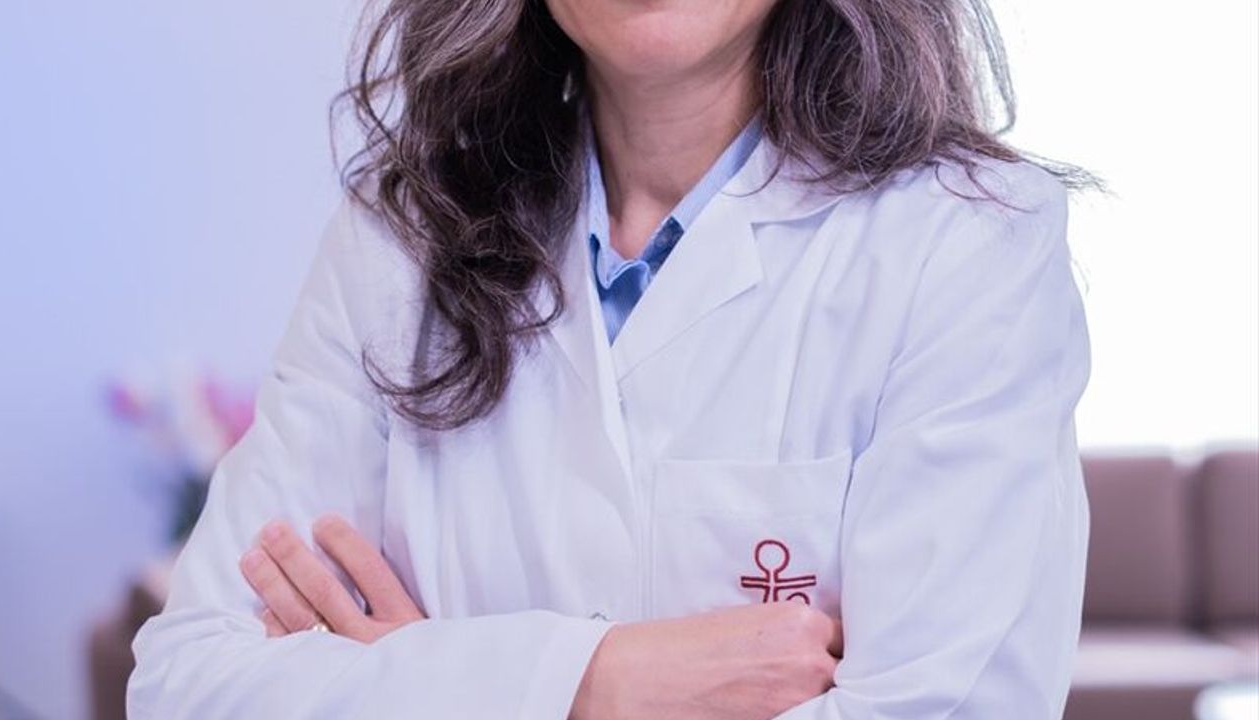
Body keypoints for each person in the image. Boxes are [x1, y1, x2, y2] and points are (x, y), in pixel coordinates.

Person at [127, 0, 1096, 717]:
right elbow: (186, 685)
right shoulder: (398, 243)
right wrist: (591, 681)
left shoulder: (964, 245)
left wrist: (435, 682)